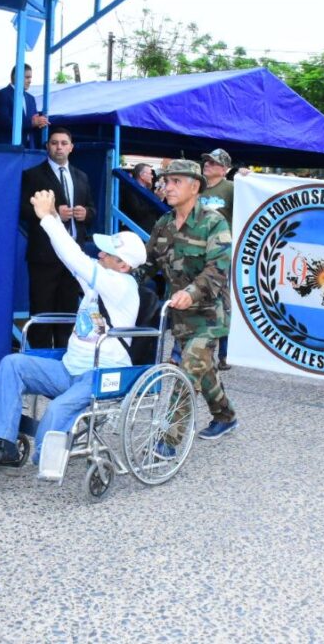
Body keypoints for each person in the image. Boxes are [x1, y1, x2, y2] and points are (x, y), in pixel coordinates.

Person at [0, 191, 147, 474]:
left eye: (107, 254)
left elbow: (76, 258)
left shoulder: (122, 286)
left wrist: (46, 220)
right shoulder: (99, 282)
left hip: (100, 375)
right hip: (69, 368)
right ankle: (5, 446)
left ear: (124, 265)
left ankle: (45, 457)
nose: (99, 253)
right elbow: (69, 258)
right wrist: (51, 216)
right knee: (13, 364)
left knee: (58, 410)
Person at [136, 159, 239, 440]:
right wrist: (122, 275)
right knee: (204, 371)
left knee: (188, 373)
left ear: (195, 187)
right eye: (166, 181)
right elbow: (149, 263)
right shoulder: (164, 223)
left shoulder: (213, 222)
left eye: (175, 182)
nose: (167, 187)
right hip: (180, 318)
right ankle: (225, 416)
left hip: (209, 316)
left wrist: (190, 292)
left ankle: (168, 441)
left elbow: (216, 271)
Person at [20, 127, 96, 348]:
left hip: (73, 257)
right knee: (42, 312)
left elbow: (93, 208)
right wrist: (52, 214)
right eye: (54, 143)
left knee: (68, 312)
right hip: (44, 255)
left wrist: (86, 214)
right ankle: (39, 363)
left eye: (64, 143)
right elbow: (23, 211)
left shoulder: (81, 176)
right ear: (47, 147)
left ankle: (66, 357)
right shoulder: (32, 175)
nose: (59, 147)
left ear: (71, 147)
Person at [198, 148, 235, 370]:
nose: (207, 165)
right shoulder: (197, 187)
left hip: (219, 254)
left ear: (224, 169)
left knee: (221, 302)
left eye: (213, 163)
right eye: (207, 161)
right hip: (197, 251)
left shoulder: (230, 189)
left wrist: (249, 178)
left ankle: (225, 353)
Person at [0, 63, 49, 146]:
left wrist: (40, 122)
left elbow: (34, 120)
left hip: (28, 148)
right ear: (16, 76)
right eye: (27, 77)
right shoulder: (2, 94)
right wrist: (32, 123)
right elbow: (4, 122)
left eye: (30, 77)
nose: (30, 81)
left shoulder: (31, 98)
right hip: (8, 147)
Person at [121, 162, 165, 233]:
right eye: (150, 173)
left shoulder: (148, 191)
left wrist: (160, 199)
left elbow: (155, 213)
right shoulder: (130, 190)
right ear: (142, 175)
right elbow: (138, 213)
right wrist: (156, 199)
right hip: (136, 234)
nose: (152, 176)